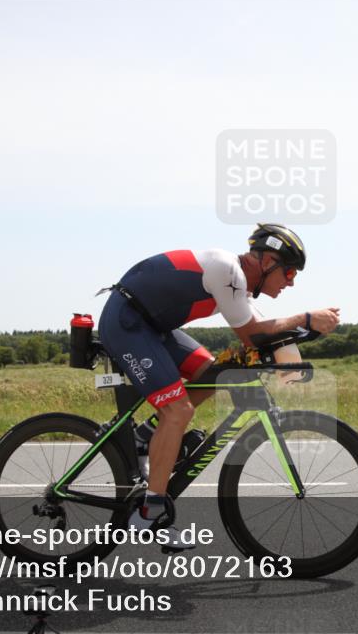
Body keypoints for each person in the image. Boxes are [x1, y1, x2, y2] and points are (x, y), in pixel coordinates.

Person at [97, 224, 340, 551]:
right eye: (290, 271)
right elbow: (253, 334)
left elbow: (263, 334)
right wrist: (306, 318)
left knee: (213, 371)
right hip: (128, 323)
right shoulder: (227, 272)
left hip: (153, 327)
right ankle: (149, 513)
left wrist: (294, 345)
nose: (292, 281)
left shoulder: (237, 285)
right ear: (267, 261)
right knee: (178, 411)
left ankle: (146, 437)